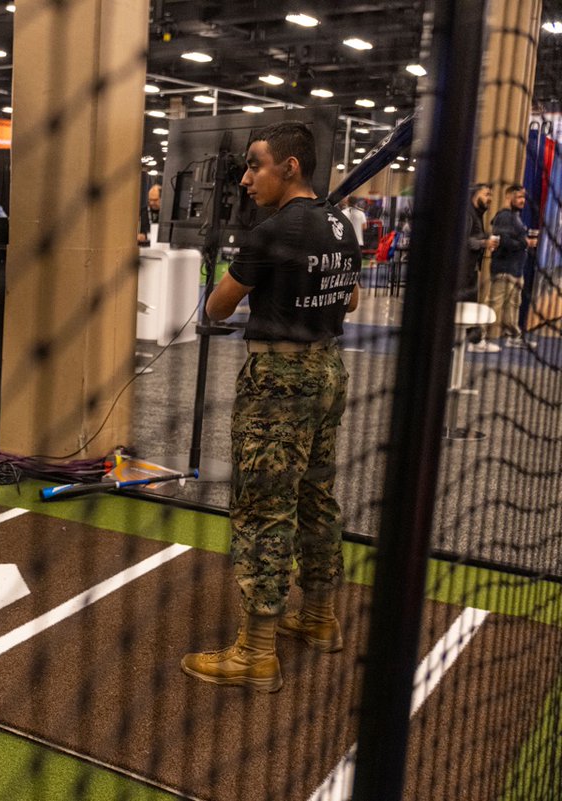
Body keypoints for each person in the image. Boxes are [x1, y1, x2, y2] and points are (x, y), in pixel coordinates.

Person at [181, 121, 360, 693]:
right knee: (315, 494)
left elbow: (217, 306)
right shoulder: (342, 224)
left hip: (279, 383)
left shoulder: (272, 231)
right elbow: (351, 300)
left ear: (291, 166)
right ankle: (319, 618)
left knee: (263, 509)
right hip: (328, 371)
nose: (245, 177)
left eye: (256, 165)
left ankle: (256, 652)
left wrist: (259, 274)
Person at [488, 183, 537, 348]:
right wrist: (526, 243)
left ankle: (513, 336)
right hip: (504, 270)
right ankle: (478, 338)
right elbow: (503, 241)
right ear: (509, 197)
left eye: (524, 197)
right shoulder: (504, 216)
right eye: (519, 197)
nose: (523, 200)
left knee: (513, 307)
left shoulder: (515, 217)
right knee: (494, 305)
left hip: (516, 270)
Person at [464, 183, 500, 353]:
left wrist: (487, 238)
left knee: (469, 305)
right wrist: (484, 242)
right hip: (461, 270)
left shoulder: (477, 214)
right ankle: (474, 341)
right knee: (465, 305)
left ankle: (474, 340)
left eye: (491, 195)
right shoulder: (468, 214)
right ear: (475, 195)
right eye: (486, 194)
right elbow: (464, 241)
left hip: (469, 269)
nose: (489, 198)